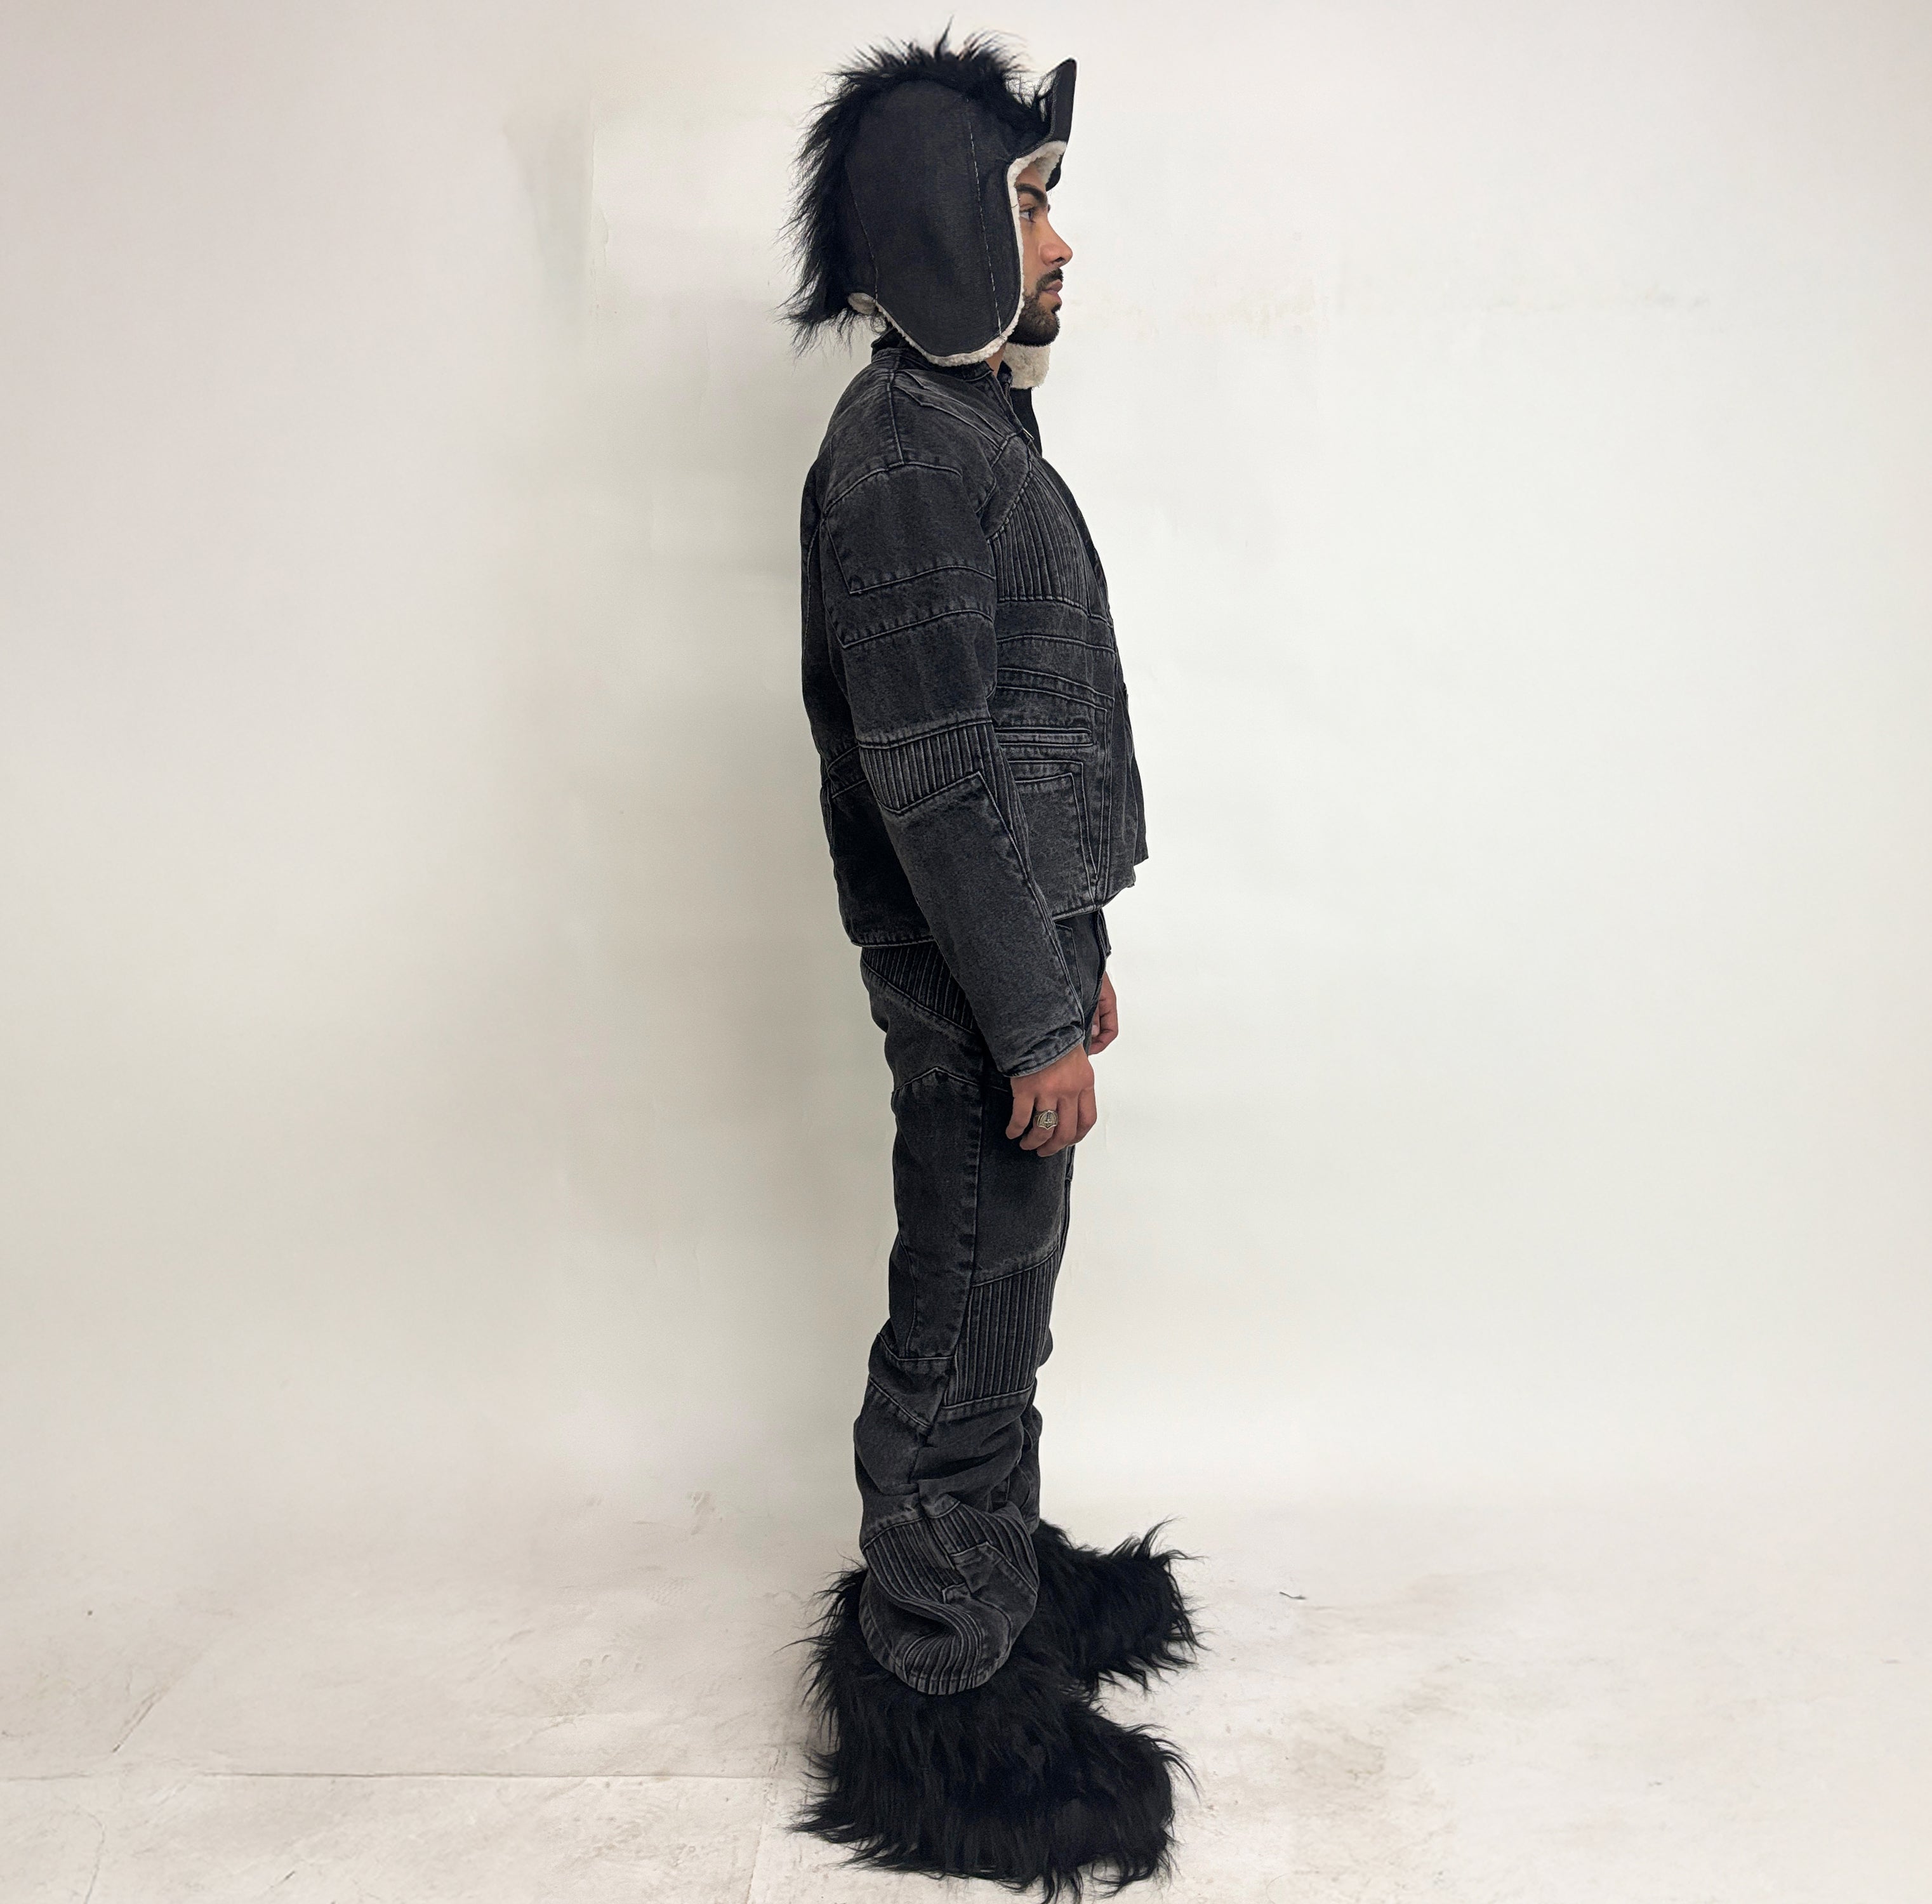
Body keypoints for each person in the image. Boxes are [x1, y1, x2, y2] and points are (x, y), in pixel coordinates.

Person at [784, 32, 1200, 1893]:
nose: (1059, 243)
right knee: (960, 1311)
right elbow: (937, 774)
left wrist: (1072, 953)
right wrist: (1027, 1015)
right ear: (938, 229)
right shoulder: (896, 463)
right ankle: (941, 1681)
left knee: (1002, 1300)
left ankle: (989, 1586)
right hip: (971, 998)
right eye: (1029, 205)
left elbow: (1018, 747)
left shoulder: (963, 428)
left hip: (1016, 969)